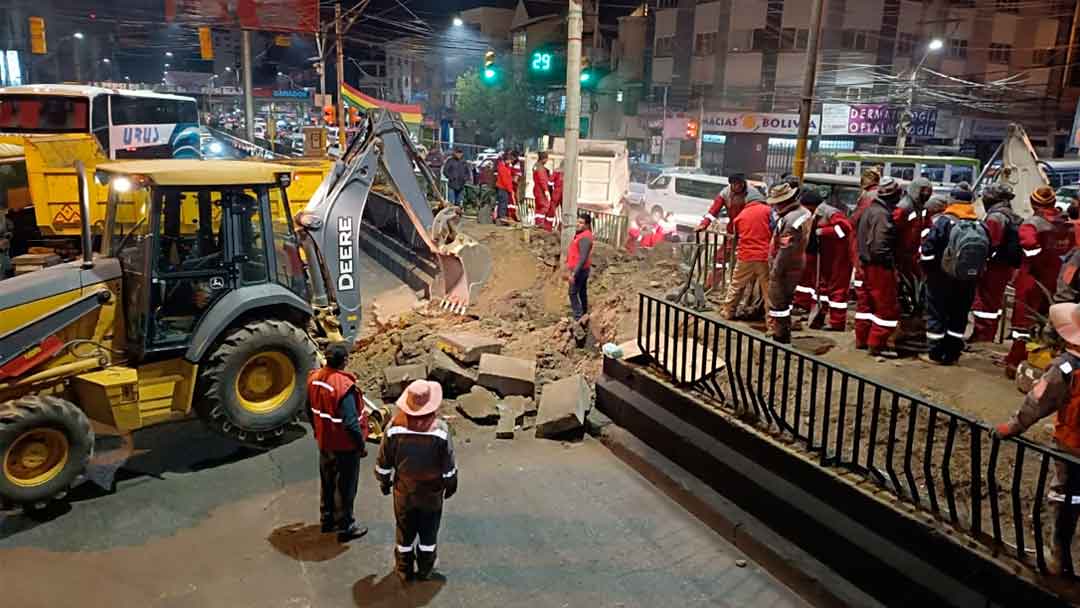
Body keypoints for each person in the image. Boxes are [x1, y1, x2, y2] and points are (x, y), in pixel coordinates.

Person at [994, 302, 1080, 575]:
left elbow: (1039, 400)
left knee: (1067, 496)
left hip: (1073, 445)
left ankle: (1059, 556)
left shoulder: (1067, 368)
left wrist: (1013, 426)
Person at [376, 380, 458, 582]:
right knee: (428, 532)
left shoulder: (393, 428)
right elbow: (448, 467)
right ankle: (425, 569)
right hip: (431, 494)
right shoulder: (440, 430)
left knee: (405, 530)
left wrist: (384, 482)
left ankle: (404, 569)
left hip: (404, 492)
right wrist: (451, 486)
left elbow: (383, 462)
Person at [1005, 186, 1075, 377]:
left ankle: (1015, 362)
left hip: (1032, 281)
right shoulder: (1066, 224)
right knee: (1051, 325)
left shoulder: (1032, 225)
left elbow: (1029, 249)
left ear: (1034, 203)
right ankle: (1045, 363)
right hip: (1059, 282)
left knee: (1023, 324)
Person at [918, 188, 988, 365]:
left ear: (952, 201)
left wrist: (930, 270)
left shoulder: (944, 221)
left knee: (937, 313)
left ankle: (935, 354)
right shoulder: (979, 223)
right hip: (968, 279)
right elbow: (988, 251)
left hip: (941, 278)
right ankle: (952, 354)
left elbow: (927, 251)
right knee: (959, 314)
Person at [307, 342, 368, 541]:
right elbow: (351, 423)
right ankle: (346, 526)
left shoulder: (314, 379)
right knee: (346, 487)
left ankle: (327, 520)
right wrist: (360, 446)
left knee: (328, 482)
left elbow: (308, 409)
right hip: (344, 446)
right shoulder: (343, 386)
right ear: (344, 361)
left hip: (325, 442)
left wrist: (318, 431)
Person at [855, 176, 901, 357]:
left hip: (866, 264)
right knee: (886, 307)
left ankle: (863, 339)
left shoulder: (870, 210)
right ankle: (877, 344)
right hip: (879, 266)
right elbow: (880, 244)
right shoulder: (882, 214)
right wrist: (888, 262)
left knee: (866, 305)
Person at [970, 183, 1022, 342]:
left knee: (986, 303)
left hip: (993, 267)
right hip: (1004, 267)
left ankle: (983, 335)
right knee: (993, 303)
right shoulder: (1011, 215)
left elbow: (989, 242)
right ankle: (986, 333)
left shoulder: (995, 217)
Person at [766, 183, 810, 344]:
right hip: (794, 264)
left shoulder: (791, 221)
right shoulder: (802, 213)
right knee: (785, 301)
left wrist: (775, 270)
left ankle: (780, 335)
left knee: (778, 301)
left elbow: (785, 251)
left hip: (786, 267)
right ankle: (783, 330)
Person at [720, 188, 772, 320]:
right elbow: (774, 230)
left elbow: (736, 235)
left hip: (745, 256)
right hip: (764, 256)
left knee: (736, 284)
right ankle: (771, 322)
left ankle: (728, 311)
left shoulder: (741, 216)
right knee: (768, 291)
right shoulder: (768, 211)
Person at [807, 189, 854, 330]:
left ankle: (837, 323)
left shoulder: (831, 213)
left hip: (840, 257)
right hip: (826, 257)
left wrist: (824, 232)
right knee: (822, 287)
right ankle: (819, 316)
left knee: (837, 289)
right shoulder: (816, 215)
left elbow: (845, 229)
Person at [851, 168, 881, 348]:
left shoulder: (867, 199)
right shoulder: (883, 198)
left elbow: (854, 222)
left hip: (865, 255)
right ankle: (872, 339)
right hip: (876, 255)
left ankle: (864, 340)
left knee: (865, 300)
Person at [567, 213, 594, 322]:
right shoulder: (581, 235)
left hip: (580, 270)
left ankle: (578, 317)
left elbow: (583, 258)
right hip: (581, 269)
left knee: (573, 293)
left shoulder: (585, 238)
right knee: (582, 291)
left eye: (581, 223)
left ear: (587, 225)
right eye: (578, 222)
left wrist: (574, 274)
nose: (578, 224)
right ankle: (583, 313)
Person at [532, 152, 554, 231]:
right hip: (541, 191)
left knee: (538, 207)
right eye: (547, 158)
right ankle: (540, 224)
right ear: (544, 159)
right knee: (544, 207)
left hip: (537, 190)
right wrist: (546, 191)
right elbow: (543, 180)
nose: (547, 160)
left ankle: (538, 223)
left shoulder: (536, 166)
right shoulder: (541, 169)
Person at [495, 151, 515, 223]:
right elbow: (505, 180)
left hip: (504, 188)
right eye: (509, 160)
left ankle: (500, 217)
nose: (510, 162)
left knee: (503, 203)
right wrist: (510, 190)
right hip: (502, 188)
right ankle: (501, 217)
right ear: (506, 160)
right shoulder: (502, 167)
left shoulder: (506, 167)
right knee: (503, 203)